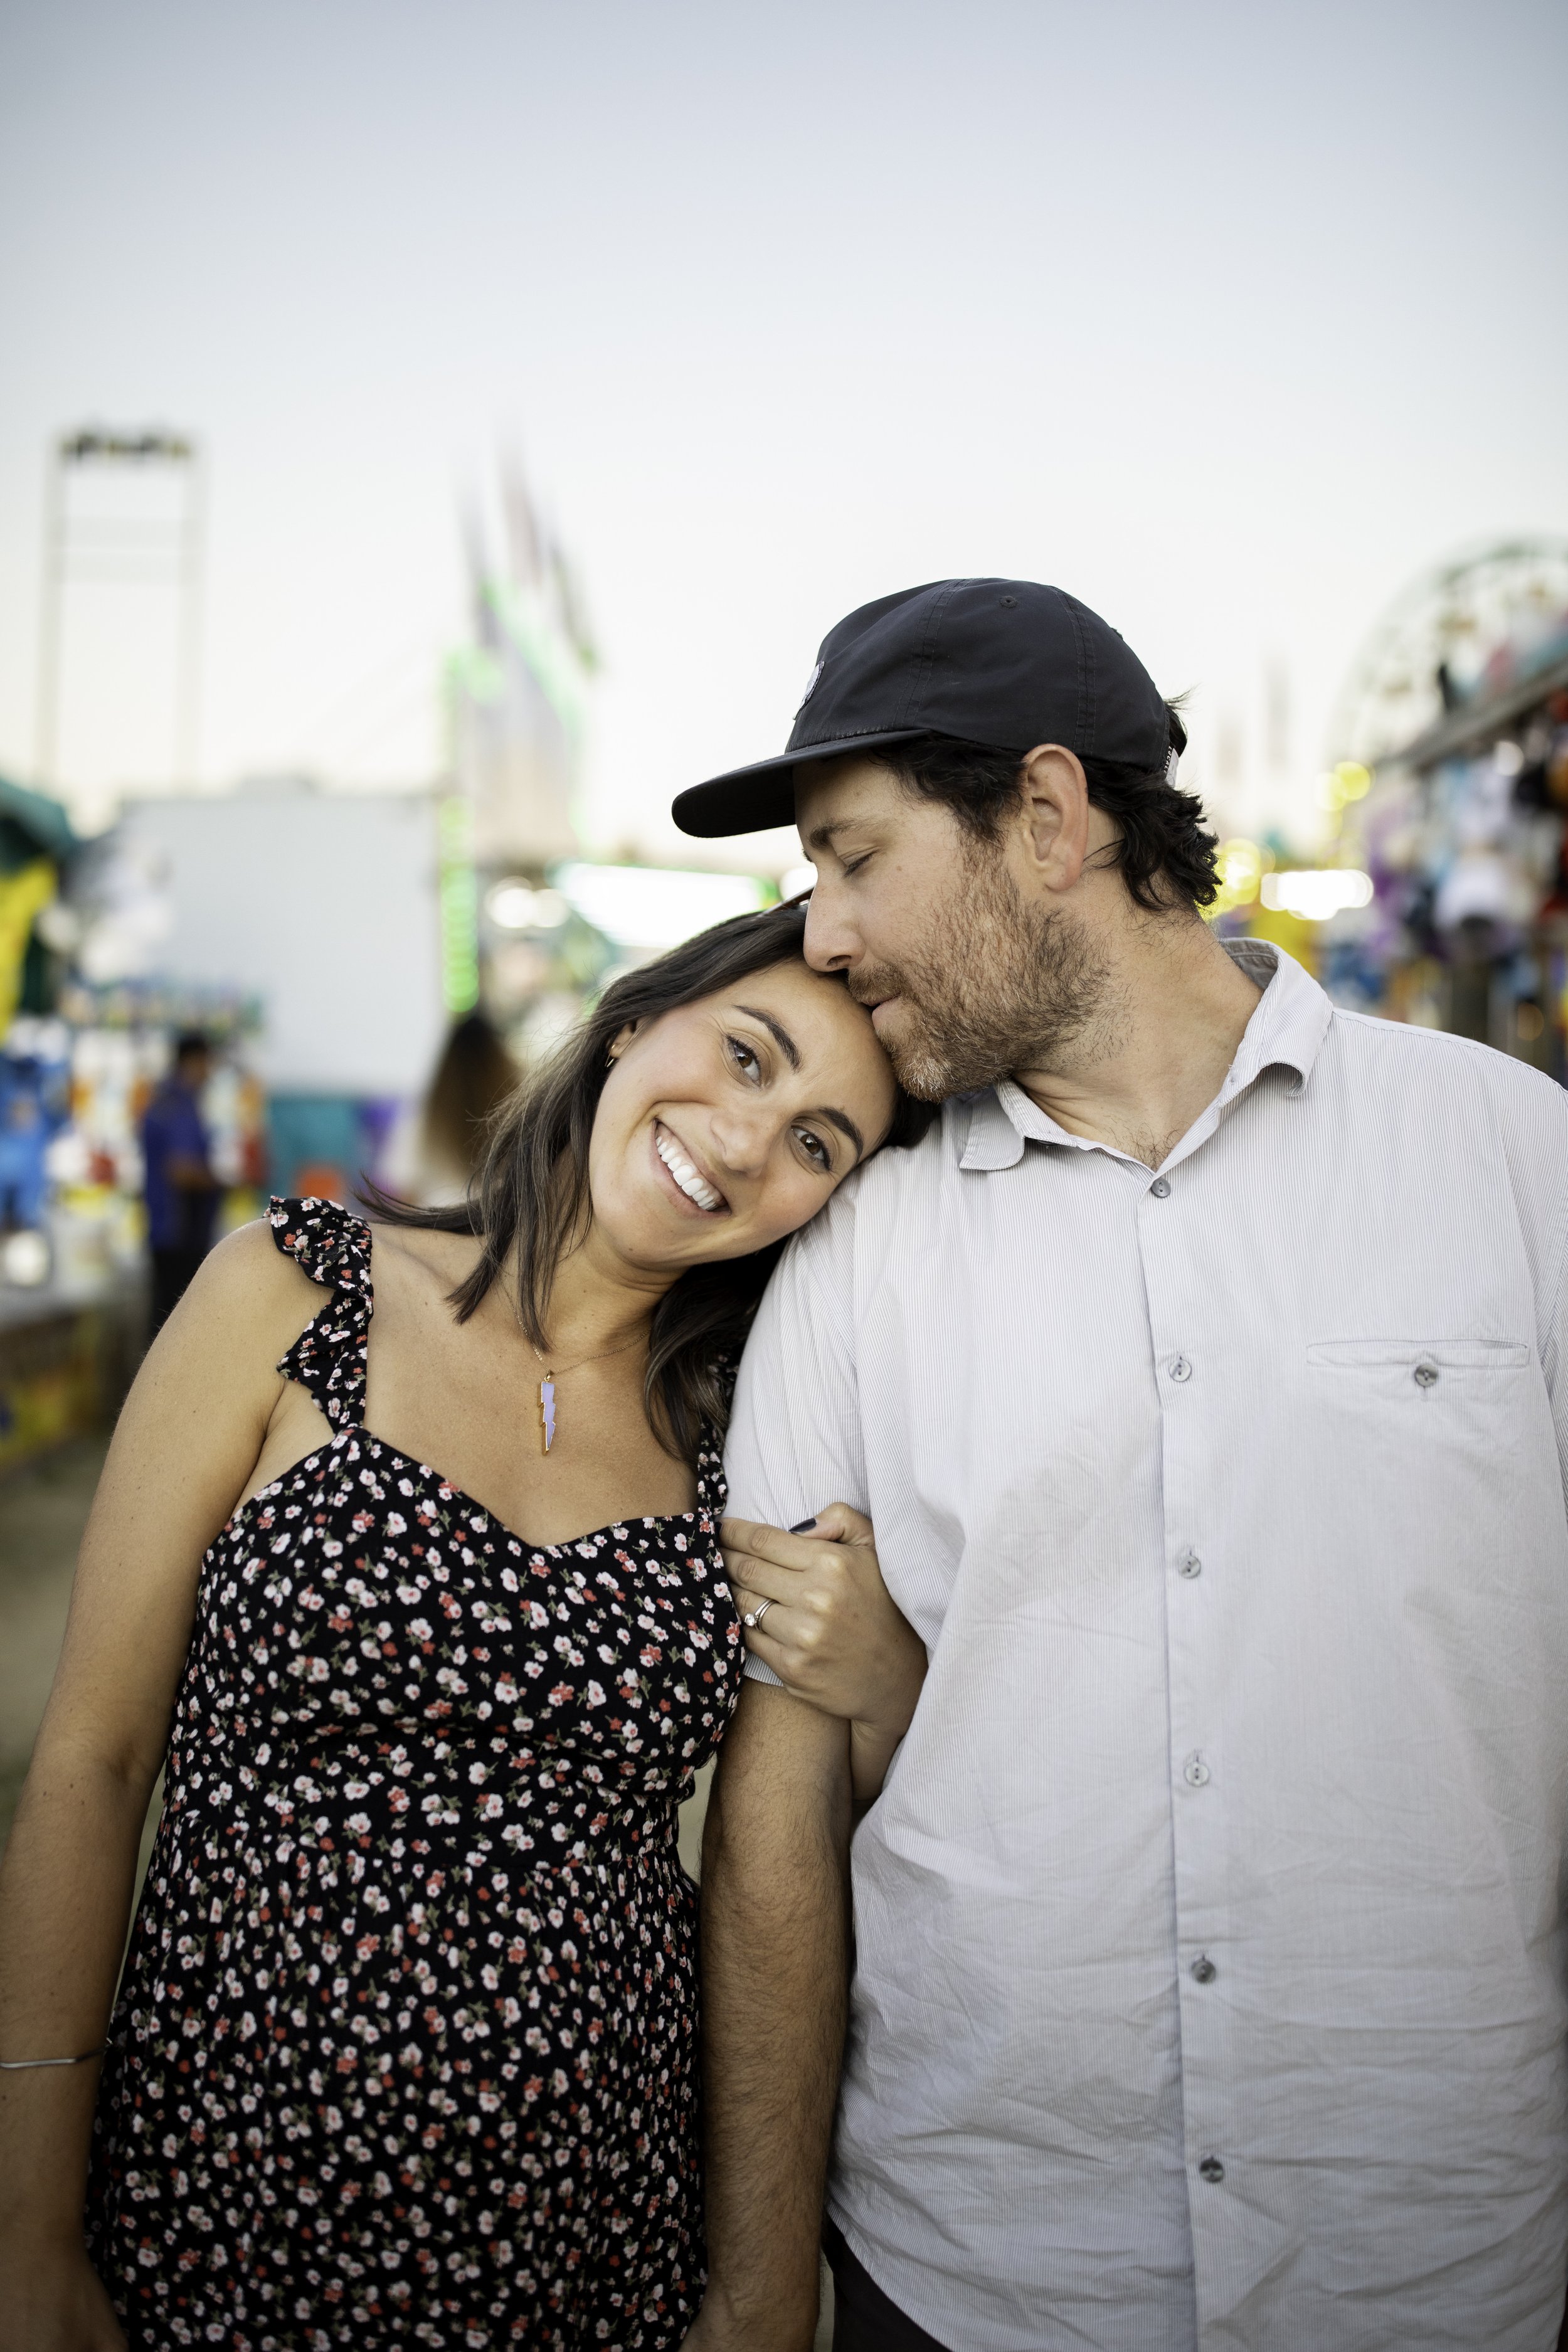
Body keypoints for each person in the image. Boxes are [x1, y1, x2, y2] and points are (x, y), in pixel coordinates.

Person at [675, 578, 1568, 2352]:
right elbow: (774, 1808)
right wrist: (763, 2270)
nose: (822, 931)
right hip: (972, 2263)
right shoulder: (853, 1247)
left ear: (1049, 816)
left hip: (1436, 2258)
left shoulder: (1508, 1163)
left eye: (852, 857)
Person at [0, 904, 931, 2352]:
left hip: (591, 2234)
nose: (750, 1141)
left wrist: (890, 1672)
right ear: (633, 1023)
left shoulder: (755, 1421)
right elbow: (92, 1756)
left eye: (819, 1141)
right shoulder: (295, 1287)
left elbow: (797, 1831)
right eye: (748, 1056)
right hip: (226, 2196)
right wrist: (25, 2227)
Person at [139, 1029, 220, 1337]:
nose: (209, 1073)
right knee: (172, 1321)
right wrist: (218, 1180)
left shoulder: (163, 1101)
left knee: (163, 1313)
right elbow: (180, 1170)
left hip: (166, 1228)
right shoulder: (179, 1105)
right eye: (207, 1064)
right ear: (194, 1061)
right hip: (179, 1229)